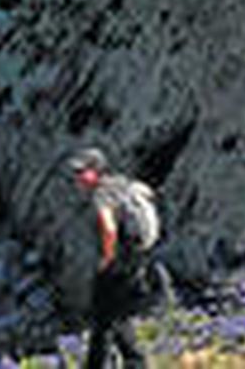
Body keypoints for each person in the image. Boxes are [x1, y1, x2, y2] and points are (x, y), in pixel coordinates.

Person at [66, 146, 163, 369]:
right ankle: (136, 364)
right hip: (137, 258)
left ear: (96, 171)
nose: (77, 177)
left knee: (103, 319)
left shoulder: (102, 193)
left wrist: (107, 258)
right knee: (116, 318)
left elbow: (108, 227)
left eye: (82, 172)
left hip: (118, 263)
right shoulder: (125, 184)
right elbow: (150, 196)